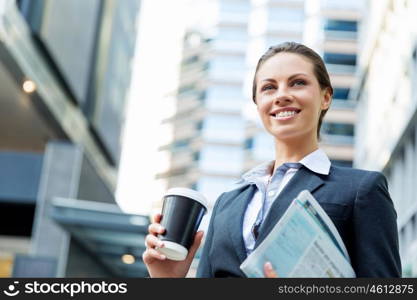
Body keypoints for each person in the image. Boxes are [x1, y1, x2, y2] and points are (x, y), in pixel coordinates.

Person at [142, 42, 402, 278]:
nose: (281, 95)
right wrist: (168, 279)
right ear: (258, 105)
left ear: (325, 97)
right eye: (268, 88)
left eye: (298, 83)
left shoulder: (361, 189)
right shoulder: (227, 203)